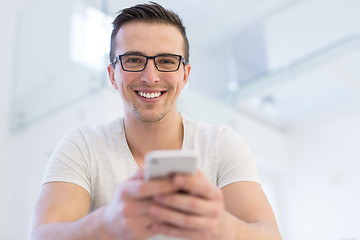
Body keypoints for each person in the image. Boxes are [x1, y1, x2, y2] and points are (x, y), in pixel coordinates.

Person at [28, 2, 281, 240]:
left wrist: (221, 226)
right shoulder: (82, 146)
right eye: (134, 60)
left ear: (185, 75)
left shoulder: (221, 144)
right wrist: (108, 223)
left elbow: (270, 234)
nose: (150, 77)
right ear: (112, 75)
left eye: (167, 61)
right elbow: (40, 235)